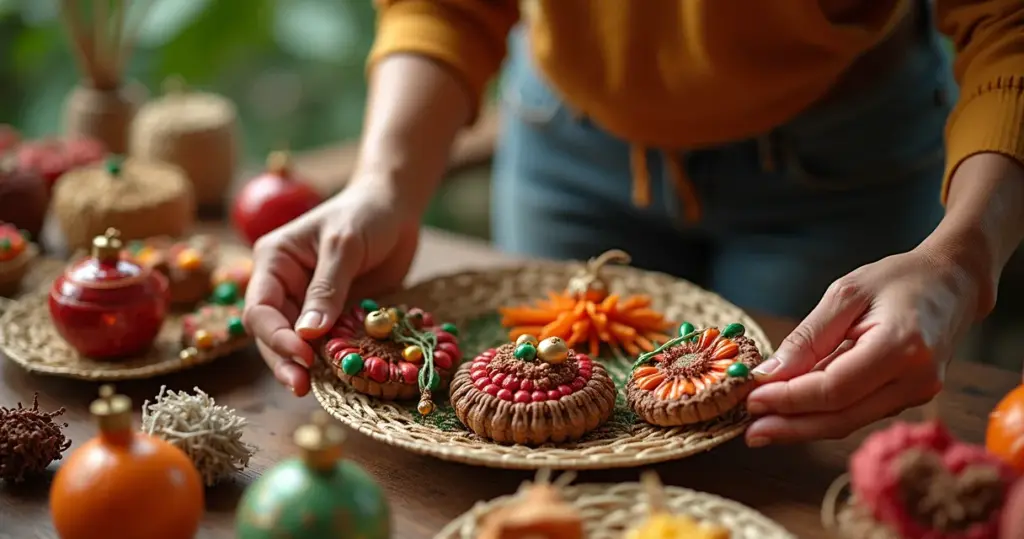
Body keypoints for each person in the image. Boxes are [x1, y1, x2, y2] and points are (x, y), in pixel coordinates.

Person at [243, 0, 1024, 448]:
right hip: (567, 144)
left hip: (844, 163)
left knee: (791, 450)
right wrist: (386, 181)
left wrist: (960, 258)